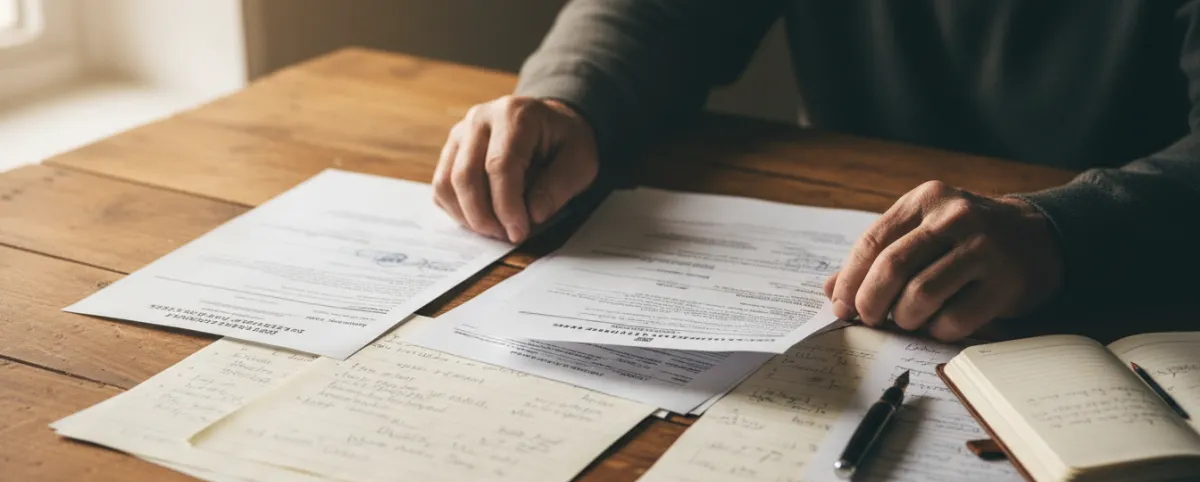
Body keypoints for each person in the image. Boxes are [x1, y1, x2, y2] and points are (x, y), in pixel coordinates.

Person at [433, 1, 1200, 341]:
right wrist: (566, 97)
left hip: (1135, 311)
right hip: (849, 291)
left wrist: (1063, 230)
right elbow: (659, 13)